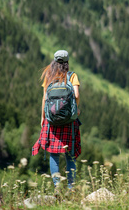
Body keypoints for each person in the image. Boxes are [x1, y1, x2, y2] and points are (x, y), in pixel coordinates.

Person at [32, 50, 81, 190]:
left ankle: (57, 186)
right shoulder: (72, 76)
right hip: (69, 121)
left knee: (54, 154)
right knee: (70, 155)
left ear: (54, 62)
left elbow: (44, 98)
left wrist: (43, 117)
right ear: (67, 63)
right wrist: (76, 109)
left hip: (52, 121)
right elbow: (76, 94)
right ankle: (71, 188)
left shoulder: (49, 76)